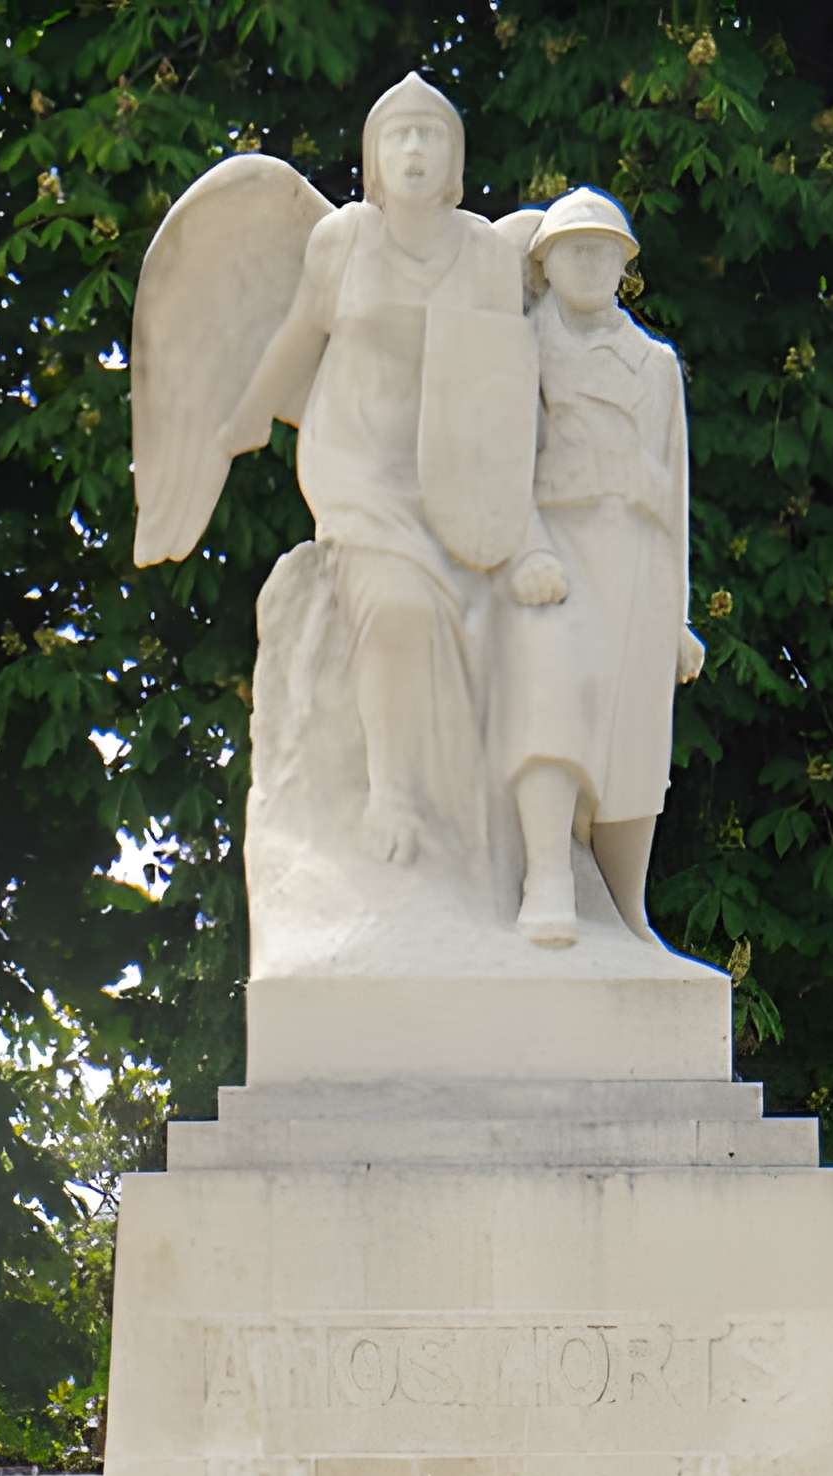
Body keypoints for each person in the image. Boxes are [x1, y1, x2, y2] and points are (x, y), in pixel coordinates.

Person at [219, 74, 549, 867]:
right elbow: (301, 336)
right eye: (397, 134)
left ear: (455, 158)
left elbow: (510, 389)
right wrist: (247, 413)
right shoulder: (344, 241)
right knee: (397, 608)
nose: (412, 149)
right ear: (372, 155)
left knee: (506, 622)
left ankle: (515, 843)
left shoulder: (486, 254)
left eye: (429, 135)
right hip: (355, 459)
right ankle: (392, 791)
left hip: (452, 474)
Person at [497, 187, 704, 947]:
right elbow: (499, 461)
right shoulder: (521, 346)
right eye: (571, 250)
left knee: (638, 733)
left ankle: (626, 908)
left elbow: (674, 495)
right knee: (555, 696)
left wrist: (679, 617)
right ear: (544, 264)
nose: (589, 263)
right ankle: (547, 874)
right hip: (556, 547)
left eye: (603, 251)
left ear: (625, 265)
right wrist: (526, 549)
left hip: (639, 558)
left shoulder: (656, 365)